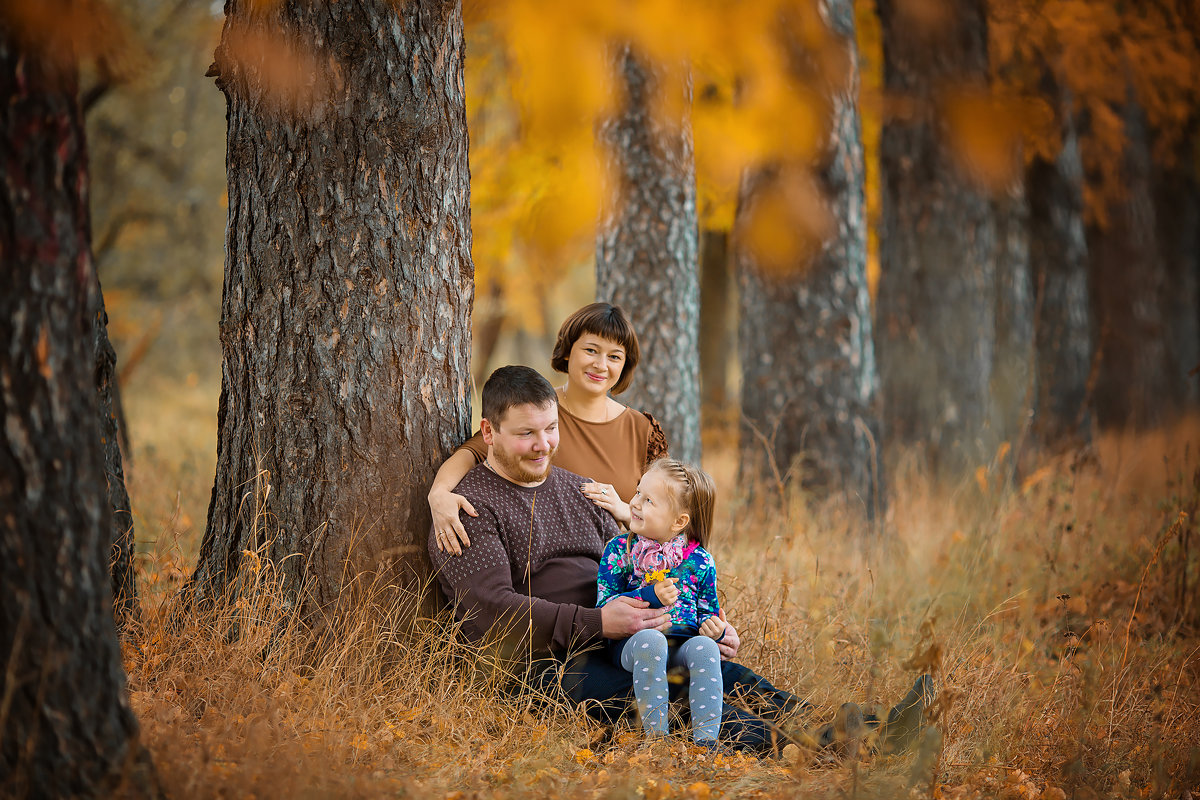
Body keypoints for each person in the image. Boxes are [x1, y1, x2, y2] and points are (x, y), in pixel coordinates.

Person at [428, 366, 807, 753]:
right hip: (542, 664)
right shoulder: (467, 509)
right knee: (669, 695)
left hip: (619, 641)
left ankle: (843, 727)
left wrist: (700, 622)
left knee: (727, 673)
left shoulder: (581, 490)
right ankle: (801, 747)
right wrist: (600, 623)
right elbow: (492, 615)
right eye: (527, 433)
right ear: (489, 432)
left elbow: (637, 570)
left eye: (551, 428)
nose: (543, 444)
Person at [429, 303, 667, 557]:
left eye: (614, 356)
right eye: (591, 350)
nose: (601, 365)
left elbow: (665, 515)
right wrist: (439, 493)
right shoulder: (537, 410)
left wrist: (624, 511)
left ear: (624, 365)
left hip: (621, 574)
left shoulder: (642, 430)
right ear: (568, 351)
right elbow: (473, 452)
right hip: (537, 567)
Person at [597, 459, 726, 746]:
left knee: (705, 648)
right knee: (651, 641)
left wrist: (716, 630)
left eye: (649, 500)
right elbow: (604, 605)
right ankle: (656, 742)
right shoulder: (621, 550)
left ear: (679, 522)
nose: (635, 503)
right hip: (631, 643)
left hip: (682, 646)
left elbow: (708, 610)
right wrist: (648, 596)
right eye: (638, 492)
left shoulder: (700, 560)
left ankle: (705, 745)